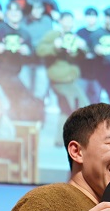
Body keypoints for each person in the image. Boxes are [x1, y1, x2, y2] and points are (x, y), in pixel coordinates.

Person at [38, 11, 91, 146]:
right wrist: (55, 46)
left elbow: (83, 55)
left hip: (71, 78)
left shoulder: (75, 37)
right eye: (66, 20)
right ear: (60, 21)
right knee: (84, 106)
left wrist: (83, 47)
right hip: (59, 79)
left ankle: (59, 140)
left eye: (71, 21)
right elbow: (40, 50)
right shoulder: (53, 35)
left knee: (66, 108)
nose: (69, 23)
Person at [76, 7, 102, 105]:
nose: (91, 19)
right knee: (81, 101)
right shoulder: (80, 32)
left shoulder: (101, 32)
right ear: (85, 18)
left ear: (97, 18)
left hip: (97, 75)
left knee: (95, 102)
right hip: (82, 73)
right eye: (88, 16)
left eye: (93, 16)